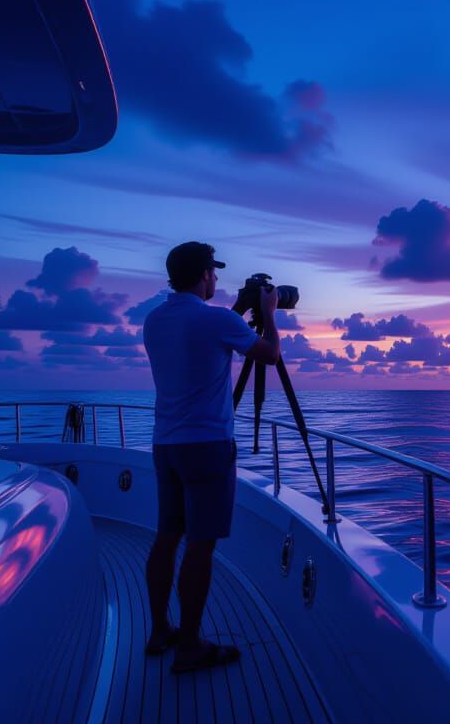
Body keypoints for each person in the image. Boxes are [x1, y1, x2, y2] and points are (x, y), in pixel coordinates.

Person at [141, 241, 280, 673]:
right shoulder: (215, 320)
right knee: (200, 548)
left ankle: (160, 629)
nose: (217, 280)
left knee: (167, 538)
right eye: (214, 274)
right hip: (208, 448)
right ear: (203, 275)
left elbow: (205, 335)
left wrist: (238, 307)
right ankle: (189, 647)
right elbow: (270, 355)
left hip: (166, 445)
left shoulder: (156, 320)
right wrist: (269, 314)